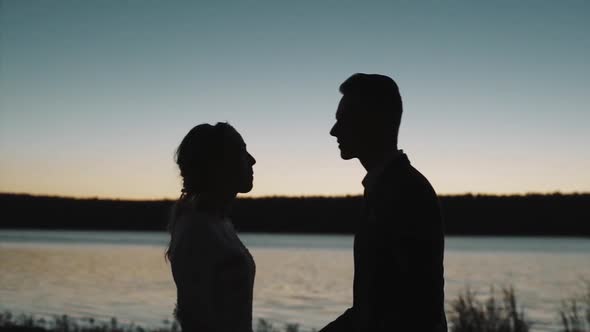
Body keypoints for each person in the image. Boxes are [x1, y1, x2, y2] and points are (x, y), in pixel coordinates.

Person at [321, 73, 447, 331]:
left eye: (343, 120)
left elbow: (406, 306)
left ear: (372, 121)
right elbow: (374, 304)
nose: (334, 130)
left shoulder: (404, 191)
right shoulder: (388, 186)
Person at [166, 122, 257, 332]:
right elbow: (194, 318)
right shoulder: (197, 229)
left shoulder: (219, 222)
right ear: (220, 164)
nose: (252, 160)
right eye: (242, 152)